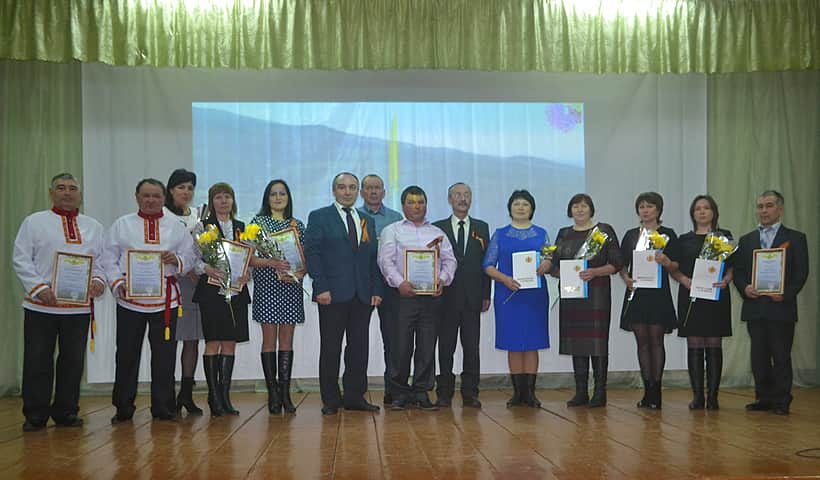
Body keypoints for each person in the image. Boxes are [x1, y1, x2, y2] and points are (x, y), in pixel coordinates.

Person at [12, 173, 107, 432]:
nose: (67, 193)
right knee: (37, 360)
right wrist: (38, 287)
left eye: (72, 188)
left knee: (72, 361)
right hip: (41, 305)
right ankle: (35, 414)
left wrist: (98, 282)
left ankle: (66, 411)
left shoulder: (94, 226)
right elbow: (21, 258)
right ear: (51, 193)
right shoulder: (34, 222)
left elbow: (100, 262)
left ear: (80, 194)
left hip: (77, 308)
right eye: (61, 188)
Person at [102, 178, 197, 423]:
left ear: (164, 199)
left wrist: (177, 260)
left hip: (165, 302)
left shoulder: (176, 226)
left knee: (165, 356)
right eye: (146, 195)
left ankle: (163, 407)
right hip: (129, 300)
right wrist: (117, 283)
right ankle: (123, 406)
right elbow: (108, 258)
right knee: (126, 355)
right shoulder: (122, 225)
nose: (151, 200)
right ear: (137, 197)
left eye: (156, 196)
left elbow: (190, 256)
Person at [305, 172, 383, 415]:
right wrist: (321, 286)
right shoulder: (319, 216)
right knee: (331, 348)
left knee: (358, 348)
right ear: (334, 190)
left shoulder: (366, 220)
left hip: (362, 295)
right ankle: (330, 399)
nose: (347, 192)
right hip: (331, 294)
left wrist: (376, 289)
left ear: (358, 191)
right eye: (342, 187)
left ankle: (355, 396)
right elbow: (313, 254)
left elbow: (373, 258)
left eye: (352, 187)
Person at [377, 185, 456, 411]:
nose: (416, 206)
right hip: (402, 297)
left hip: (431, 298)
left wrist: (442, 279)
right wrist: (400, 283)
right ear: (403, 206)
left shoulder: (437, 232)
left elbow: (450, 260)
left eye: (420, 202)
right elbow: (385, 261)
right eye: (411, 202)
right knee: (400, 346)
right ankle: (399, 392)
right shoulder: (392, 231)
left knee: (427, 346)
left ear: (426, 205)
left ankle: (422, 391)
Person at [733, 190, 809, 415]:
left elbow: (801, 273)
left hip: (781, 307)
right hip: (755, 307)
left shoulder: (796, 238)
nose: (764, 211)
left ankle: (782, 400)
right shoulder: (747, 240)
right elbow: (738, 272)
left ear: (780, 209)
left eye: (769, 206)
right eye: (760, 206)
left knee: (781, 355)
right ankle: (763, 398)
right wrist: (745, 288)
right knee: (759, 356)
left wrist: (785, 294)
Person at [550, 194, 622, 408]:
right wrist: (559, 273)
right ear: (570, 210)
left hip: (597, 295)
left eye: (584, 206)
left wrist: (595, 272)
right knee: (577, 344)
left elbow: (616, 263)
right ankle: (581, 392)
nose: (580, 210)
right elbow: (554, 264)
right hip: (572, 295)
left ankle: (600, 392)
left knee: (597, 344)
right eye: (575, 206)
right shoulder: (564, 234)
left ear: (591, 209)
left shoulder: (603, 231)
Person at [483, 190, 551, 408]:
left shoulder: (541, 234)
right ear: (510, 208)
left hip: (534, 296)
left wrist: (546, 265)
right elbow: (488, 265)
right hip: (508, 295)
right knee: (513, 343)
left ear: (532, 209)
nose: (520, 207)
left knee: (532, 343)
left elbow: (549, 258)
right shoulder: (500, 234)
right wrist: (505, 279)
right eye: (516, 204)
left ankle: (530, 393)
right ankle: (517, 393)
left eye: (525, 204)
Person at [191, 183, 251, 416]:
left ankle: (225, 397)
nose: (223, 201)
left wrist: (247, 273)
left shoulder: (241, 227)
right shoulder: (202, 227)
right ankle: (214, 396)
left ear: (233, 200)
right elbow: (193, 259)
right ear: (211, 201)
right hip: (211, 292)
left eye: (227, 196)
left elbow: (247, 258)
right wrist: (207, 268)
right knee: (213, 342)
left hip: (236, 292)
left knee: (230, 342)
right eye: (218, 197)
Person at [671, 195, 734, 410]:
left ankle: (713, 397)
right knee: (695, 344)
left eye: (706, 208)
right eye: (698, 208)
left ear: (714, 212)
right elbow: (674, 269)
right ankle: (698, 396)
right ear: (693, 214)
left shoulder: (724, 237)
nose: (702, 212)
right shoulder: (683, 239)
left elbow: (733, 266)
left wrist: (726, 280)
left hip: (716, 295)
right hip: (691, 296)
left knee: (714, 345)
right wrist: (684, 280)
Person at [618, 192, 679, 410]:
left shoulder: (668, 234)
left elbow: (676, 265)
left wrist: (666, 261)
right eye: (642, 206)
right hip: (637, 294)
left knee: (656, 341)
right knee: (642, 343)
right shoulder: (631, 235)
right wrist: (626, 278)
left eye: (650, 206)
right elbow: (621, 263)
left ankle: (657, 392)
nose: (645, 210)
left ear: (658, 210)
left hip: (658, 295)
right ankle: (647, 391)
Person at [432, 182, 490, 408]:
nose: (462, 198)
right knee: (445, 347)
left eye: (466, 194)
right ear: (449, 199)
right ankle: (444, 392)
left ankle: (470, 392)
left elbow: (486, 263)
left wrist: (486, 294)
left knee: (471, 348)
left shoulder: (482, 227)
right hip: (446, 298)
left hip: (473, 298)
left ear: (471, 199)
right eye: (457, 194)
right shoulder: (438, 228)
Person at [250, 179, 306, 414]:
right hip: (267, 286)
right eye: (273, 194)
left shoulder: (297, 224)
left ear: (288, 197)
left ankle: (285, 393)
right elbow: (249, 258)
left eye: (282, 193)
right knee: (268, 340)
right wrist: (271, 263)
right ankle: (272, 393)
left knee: (286, 340)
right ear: (267, 198)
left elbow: (305, 257)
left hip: (290, 287)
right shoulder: (257, 224)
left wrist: (301, 272)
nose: (278, 197)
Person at [358, 174, 403, 406]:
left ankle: (392, 389)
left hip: (390, 285)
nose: (373, 192)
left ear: (384, 192)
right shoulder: (354, 216)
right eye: (368, 188)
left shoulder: (396, 218)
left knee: (393, 340)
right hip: (361, 284)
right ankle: (357, 391)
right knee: (357, 340)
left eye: (377, 188)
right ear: (362, 192)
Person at [164, 168, 204, 415]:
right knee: (167, 342)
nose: (186, 192)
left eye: (190, 188)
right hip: (171, 283)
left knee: (192, 339)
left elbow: (204, 249)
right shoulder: (163, 216)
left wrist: (198, 266)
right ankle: (166, 394)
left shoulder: (198, 217)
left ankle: (186, 394)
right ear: (170, 190)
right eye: (181, 187)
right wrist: (183, 265)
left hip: (194, 285)